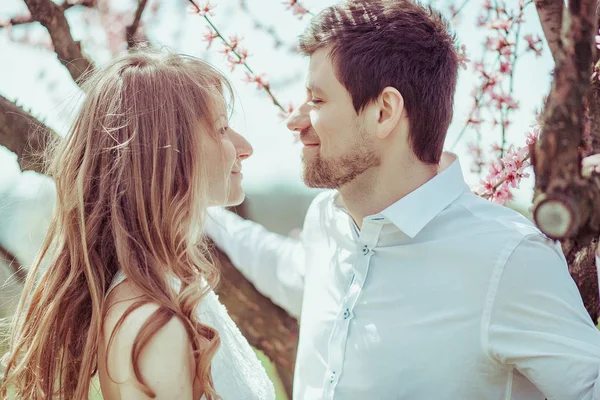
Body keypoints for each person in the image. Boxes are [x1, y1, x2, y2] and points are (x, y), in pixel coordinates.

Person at [205, 1, 600, 399]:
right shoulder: (327, 221)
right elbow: (288, 270)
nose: (295, 120)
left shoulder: (508, 259)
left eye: (318, 100)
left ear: (384, 112)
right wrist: (196, 211)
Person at [0, 48, 275, 400]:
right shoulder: (153, 325)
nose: (245, 146)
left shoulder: (173, 294)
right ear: (168, 154)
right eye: (222, 128)